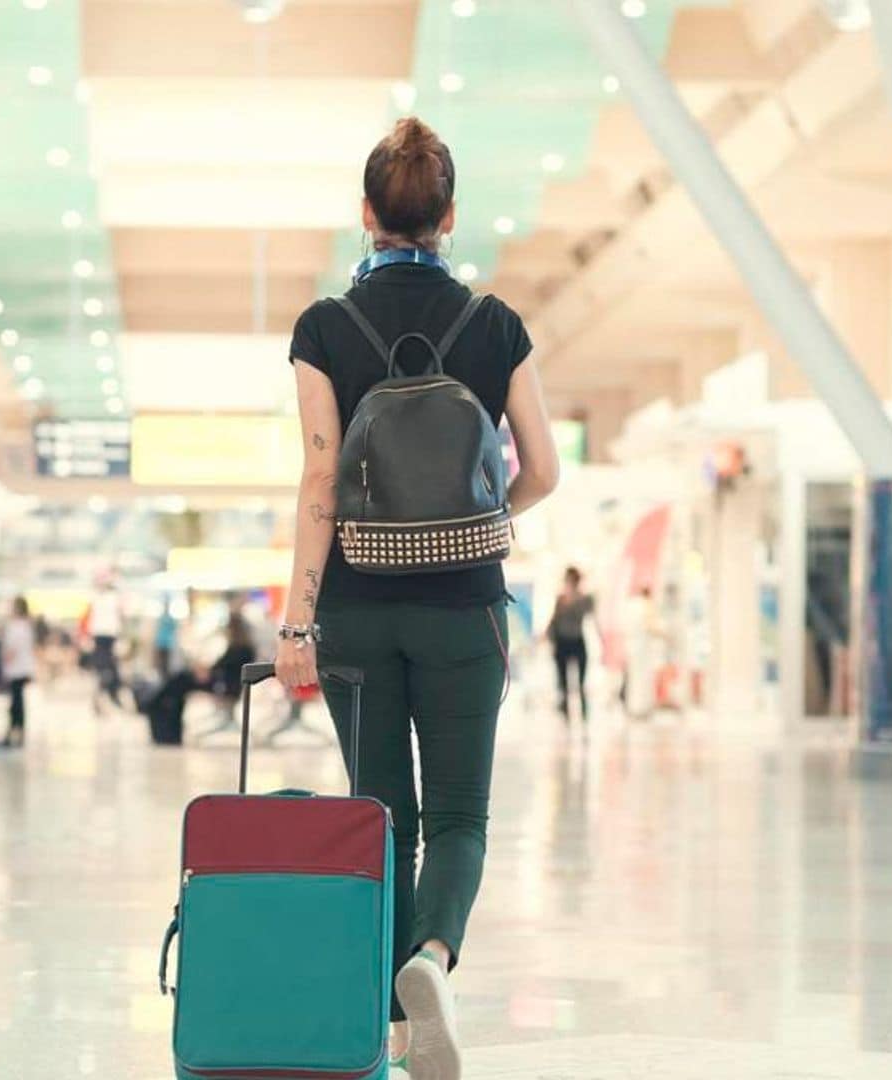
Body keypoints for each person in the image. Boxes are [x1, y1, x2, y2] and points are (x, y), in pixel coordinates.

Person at [274, 116, 560, 1080]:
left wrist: (297, 620)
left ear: (366, 215)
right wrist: (489, 525)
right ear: (449, 218)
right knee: (462, 817)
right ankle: (432, 960)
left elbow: (321, 481)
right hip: (464, 609)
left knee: (382, 813)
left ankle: (394, 1036)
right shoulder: (494, 326)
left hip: (356, 605)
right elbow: (545, 469)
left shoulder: (324, 329)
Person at [546, 568, 596, 725]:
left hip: (577, 640)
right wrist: (551, 640)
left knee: (580, 681)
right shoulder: (561, 599)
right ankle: (566, 713)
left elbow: (590, 614)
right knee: (563, 682)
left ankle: (584, 714)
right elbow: (554, 622)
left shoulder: (585, 599)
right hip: (562, 642)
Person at [0, 596, 37, 749]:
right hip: (24, 669)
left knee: (15, 704)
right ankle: (17, 733)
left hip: (15, 670)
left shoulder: (16, 626)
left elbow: (12, 648)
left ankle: (12, 734)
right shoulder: (27, 626)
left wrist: (5, 663)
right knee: (18, 703)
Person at [84, 580, 126, 709]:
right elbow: (119, 619)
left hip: (101, 638)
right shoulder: (111, 599)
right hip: (108, 637)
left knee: (105, 670)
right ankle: (109, 696)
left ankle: (105, 696)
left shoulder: (98, 600)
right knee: (109, 670)